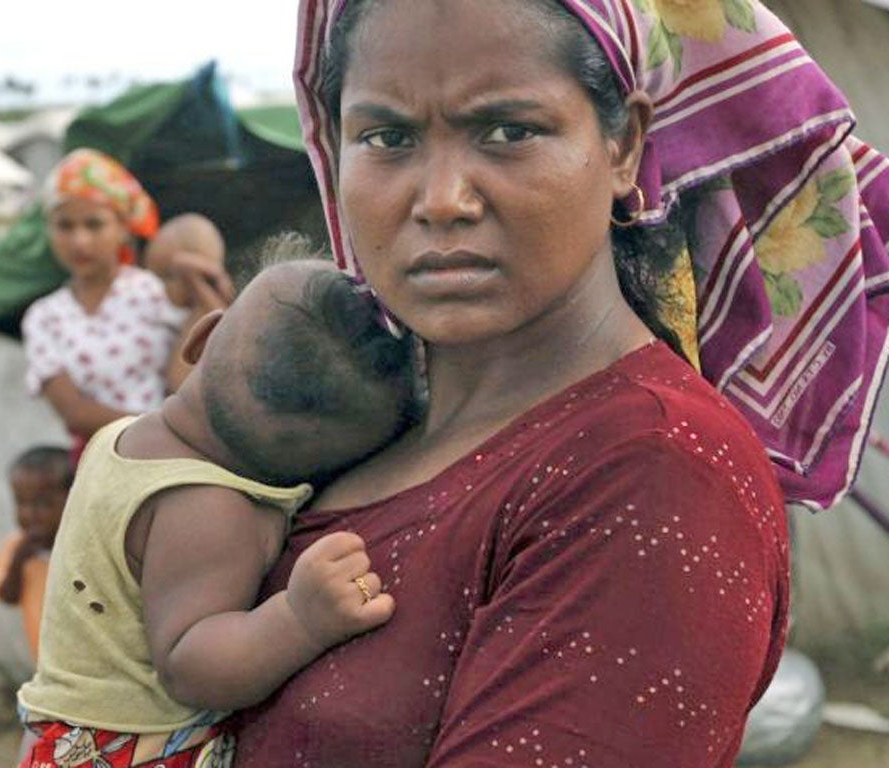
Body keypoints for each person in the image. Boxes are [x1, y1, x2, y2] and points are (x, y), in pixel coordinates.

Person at [229, 1, 889, 766]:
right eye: (388, 138)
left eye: (508, 131)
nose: (441, 198)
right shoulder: (366, 425)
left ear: (623, 146)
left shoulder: (650, 471)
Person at [15, 259, 419, 768]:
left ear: (200, 339)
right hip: (131, 750)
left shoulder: (124, 437)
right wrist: (299, 620)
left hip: (68, 737)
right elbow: (189, 664)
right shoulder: (208, 508)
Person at [21, 148, 177, 461]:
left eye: (94, 224)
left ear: (123, 228)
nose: (79, 241)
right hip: (99, 464)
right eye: (65, 226)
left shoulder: (156, 293)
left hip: (174, 456)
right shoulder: (44, 317)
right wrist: (163, 431)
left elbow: (198, 362)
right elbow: (74, 412)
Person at [0, 446, 73, 663]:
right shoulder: (16, 547)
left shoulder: (83, 547)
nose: (29, 514)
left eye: (43, 504)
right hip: (45, 665)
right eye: (21, 503)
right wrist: (18, 561)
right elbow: (7, 596)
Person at [145, 213, 237, 390]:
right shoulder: (178, 314)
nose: (157, 288)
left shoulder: (209, 310)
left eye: (167, 276)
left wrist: (191, 271)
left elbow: (177, 383)